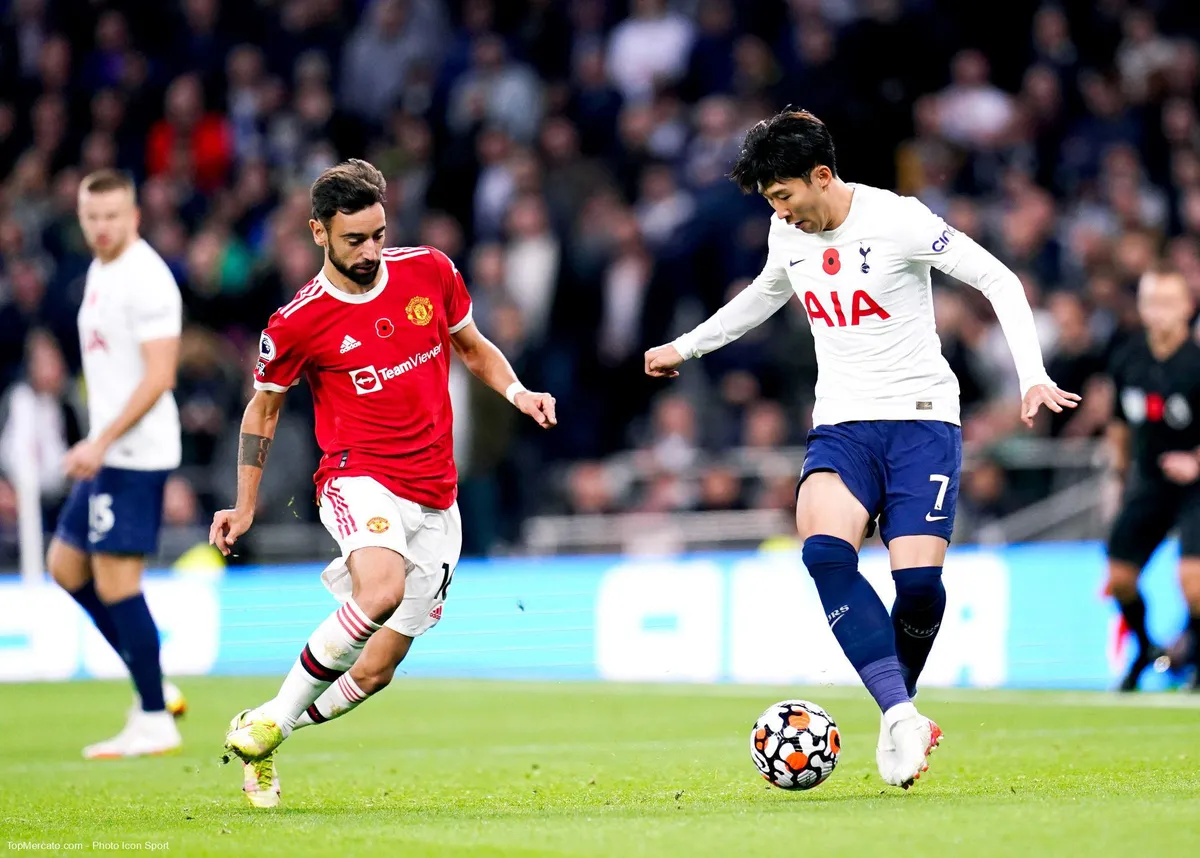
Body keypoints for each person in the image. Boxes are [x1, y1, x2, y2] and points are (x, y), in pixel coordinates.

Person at [645, 109, 1078, 788]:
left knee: (919, 589)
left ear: (822, 176)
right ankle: (902, 713)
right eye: (771, 205)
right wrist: (685, 346)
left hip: (922, 422)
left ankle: (894, 708)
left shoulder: (898, 219)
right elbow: (766, 291)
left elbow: (999, 278)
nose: (782, 215)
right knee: (823, 549)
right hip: (843, 424)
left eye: (786, 198)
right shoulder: (785, 231)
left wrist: (1033, 375)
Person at [210, 159, 556, 808]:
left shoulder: (429, 270)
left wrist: (517, 390)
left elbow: (472, 344)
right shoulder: (297, 322)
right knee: (381, 589)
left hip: (436, 493)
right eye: (354, 240)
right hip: (357, 475)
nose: (370, 251)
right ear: (318, 233)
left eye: (377, 234)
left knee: (375, 670)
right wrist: (245, 504)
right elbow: (263, 409)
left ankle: (265, 728)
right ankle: (271, 723)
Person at [46, 169, 187, 759]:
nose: (102, 227)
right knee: (64, 565)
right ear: (82, 219)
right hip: (109, 450)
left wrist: (100, 441)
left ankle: (155, 716)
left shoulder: (148, 279)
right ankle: (152, 681)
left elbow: (161, 376)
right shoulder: (102, 272)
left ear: (134, 215)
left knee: (114, 581)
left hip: (133, 454)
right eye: (92, 217)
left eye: (112, 216)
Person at [1103, 267, 1200, 693]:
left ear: (1187, 307)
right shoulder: (1128, 359)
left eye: (1167, 301)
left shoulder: (1196, 363)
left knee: (1193, 581)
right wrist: (1119, 476)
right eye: (1151, 302)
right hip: (1147, 481)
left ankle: (1195, 657)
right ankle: (1144, 649)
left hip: (1195, 485)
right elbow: (1120, 424)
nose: (1158, 311)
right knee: (1118, 579)